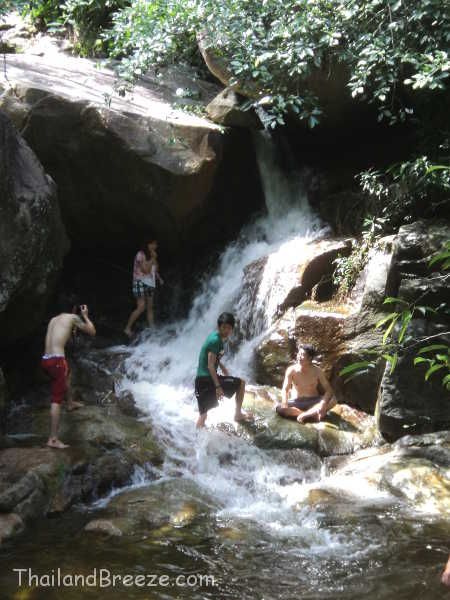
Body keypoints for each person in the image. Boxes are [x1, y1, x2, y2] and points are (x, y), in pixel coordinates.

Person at [41, 305, 96, 449]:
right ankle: (53, 439)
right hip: (57, 361)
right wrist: (85, 315)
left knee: (67, 373)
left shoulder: (53, 319)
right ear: (73, 310)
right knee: (56, 400)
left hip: (46, 359)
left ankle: (70, 403)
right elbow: (92, 331)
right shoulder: (72, 317)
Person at [194, 313, 253, 428]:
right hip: (208, 380)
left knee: (203, 415)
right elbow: (211, 366)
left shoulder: (215, 337)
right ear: (218, 326)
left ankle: (196, 441)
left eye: (229, 328)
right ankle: (238, 414)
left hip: (200, 381)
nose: (227, 330)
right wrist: (218, 387)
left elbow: (212, 357)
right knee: (241, 383)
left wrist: (222, 367)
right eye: (224, 327)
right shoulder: (216, 341)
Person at [276, 344, 336, 423]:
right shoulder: (291, 370)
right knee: (279, 408)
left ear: (310, 358)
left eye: (302, 355)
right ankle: (309, 415)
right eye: (299, 354)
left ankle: (305, 415)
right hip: (297, 402)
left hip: (313, 401)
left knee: (334, 400)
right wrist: (284, 402)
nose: (299, 357)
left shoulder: (317, 371)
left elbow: (329, 390)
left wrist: (323, 404)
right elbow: (285, 389)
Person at [124, 239, 163, 337]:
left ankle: (152, 329)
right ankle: (127, 328)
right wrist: (152, 259)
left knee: (150, 307)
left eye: (155, 244)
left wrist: (159, 277)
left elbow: (156, 269)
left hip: (150, 283)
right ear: (147, 244)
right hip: (139, 281)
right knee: (141, 306)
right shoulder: (140, 255)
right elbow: (145, 270)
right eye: (152, 244)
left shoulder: (152, 254)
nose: (154, 246)